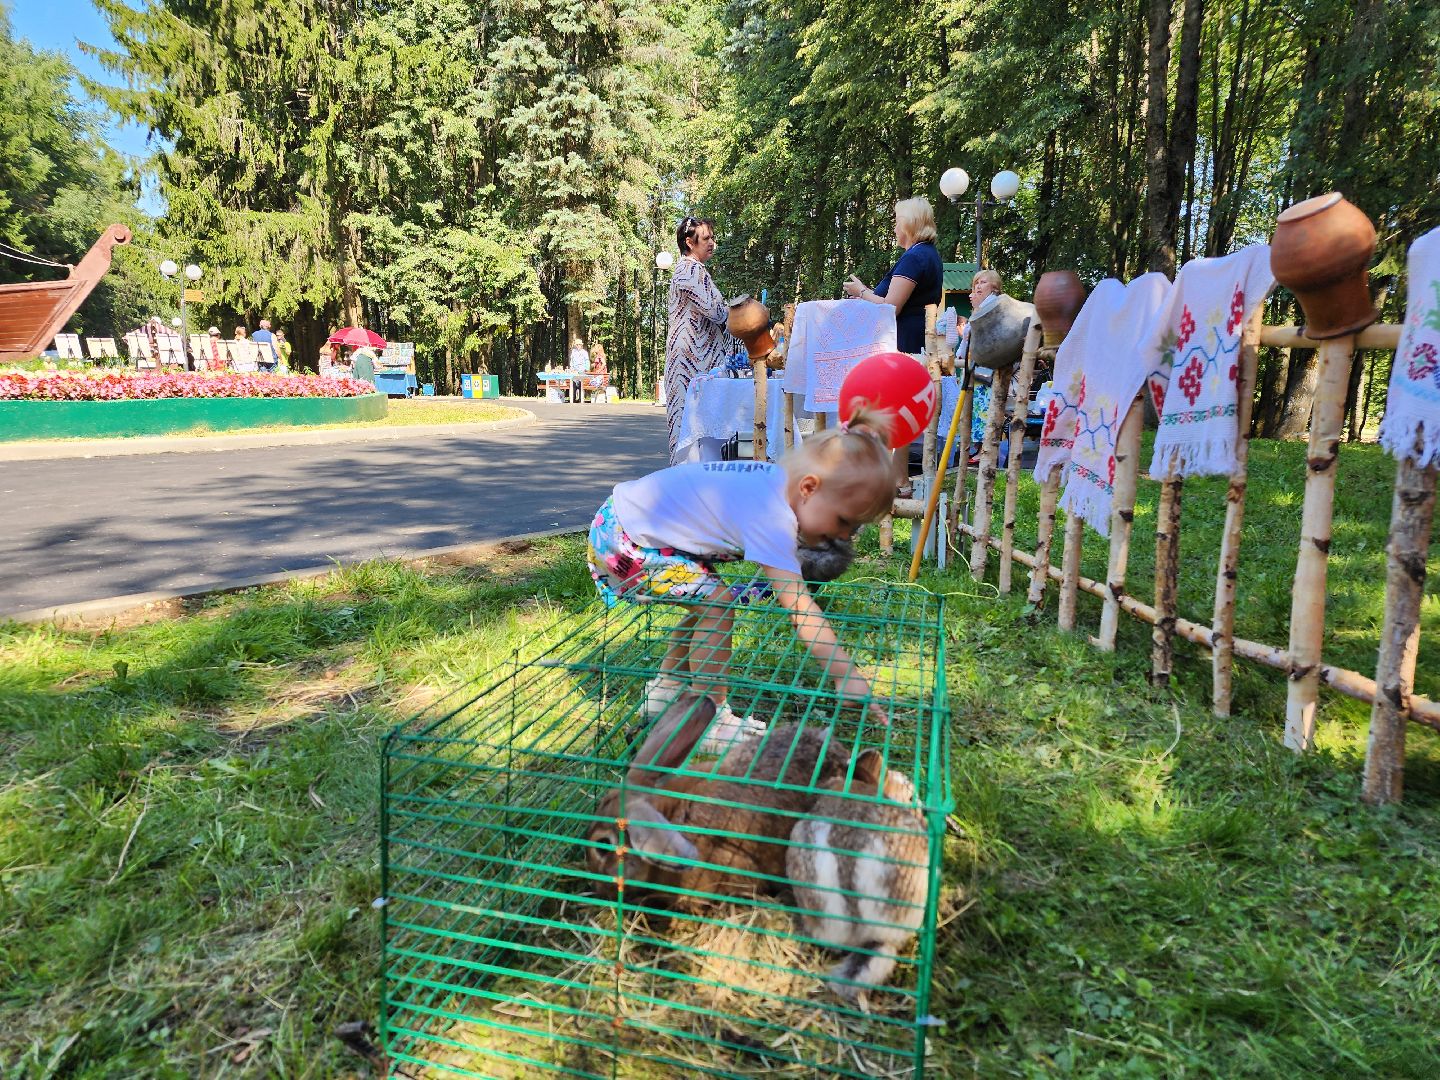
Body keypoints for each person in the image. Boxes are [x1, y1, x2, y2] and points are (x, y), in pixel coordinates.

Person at [587, 401, 897, 741]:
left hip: (625, 520)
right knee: (717, 605)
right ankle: (711, 723)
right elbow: (801, 609)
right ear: (809, 488)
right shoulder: (773, 516)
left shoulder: (775, 483)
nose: (843, 536)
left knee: (705, 600)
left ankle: (667, 689)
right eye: (844, 521)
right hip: (624, 538)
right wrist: (844, 673)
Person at [665, 216, 736, 464]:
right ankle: (690, 492)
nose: (712, 243)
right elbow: (715, 312)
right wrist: (743, 312)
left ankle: (692, 490)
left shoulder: (693, 269)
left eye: (713, 238)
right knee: (693, 430)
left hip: (695, 359)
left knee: (696, 430)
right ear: (689, 242)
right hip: (690, 362)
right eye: (706, 238)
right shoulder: (689, 269)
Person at [842, 197, 944, 354]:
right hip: (918, 335)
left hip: (906, 340)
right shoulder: (927, 253)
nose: (894, 229)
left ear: (907, 224)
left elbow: (890, 308)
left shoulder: (914, 257)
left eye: (897, 223)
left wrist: (861, 292)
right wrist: (865, 294)